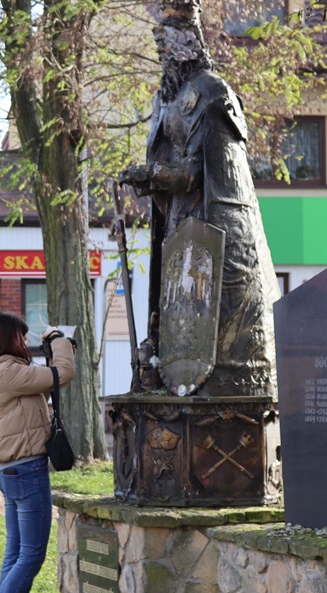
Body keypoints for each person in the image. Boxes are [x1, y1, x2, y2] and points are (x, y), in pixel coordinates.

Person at [118, 0, 278, 398]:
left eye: (166, 40)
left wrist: (152, 175)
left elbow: (202, 172)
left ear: (188, 42)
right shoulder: (164, 99)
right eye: (158, 41)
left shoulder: (210, 92)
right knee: (177, 303)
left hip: (211, 225)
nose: (160, 49)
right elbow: (168, 161)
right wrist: (149, 177)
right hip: (178, 225)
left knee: (215, 312)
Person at [0, 312, 75, 593]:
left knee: (16, 552)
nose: (25, 343)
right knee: (31, 554)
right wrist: (59, 339)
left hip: (8, 470)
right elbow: (64, 374)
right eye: (22, 337)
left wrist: (52, 351)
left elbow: (44, 381)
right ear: (10, 339)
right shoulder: (8, 372)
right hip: (26, 470)